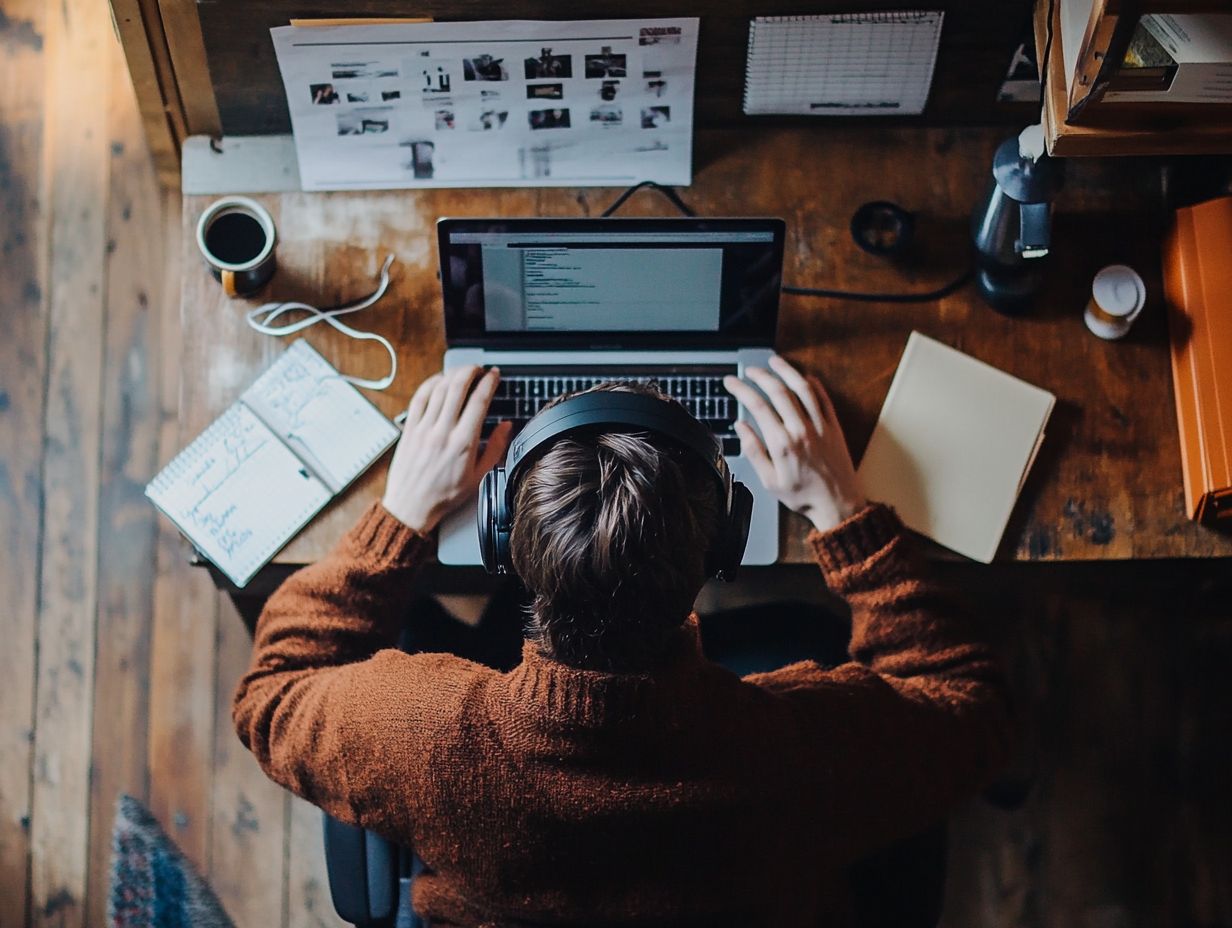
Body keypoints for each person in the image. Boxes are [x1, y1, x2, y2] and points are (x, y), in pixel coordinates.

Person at [233, 357, 1013, 926]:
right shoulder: (801, 748)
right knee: (810, 630)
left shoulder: (417, 733)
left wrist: (399, 518)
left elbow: (270, 696)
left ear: (505, 537)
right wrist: (844, 514)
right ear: (726, 544)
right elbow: (972, 709)